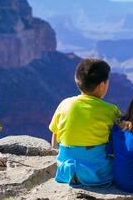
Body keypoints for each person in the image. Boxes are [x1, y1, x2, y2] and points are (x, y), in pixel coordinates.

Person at [49, 58, 120, 187]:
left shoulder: (65, 104)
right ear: (102, 85)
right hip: (97, 174)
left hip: (65, 171)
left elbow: (55, 138)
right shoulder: (111, 110)